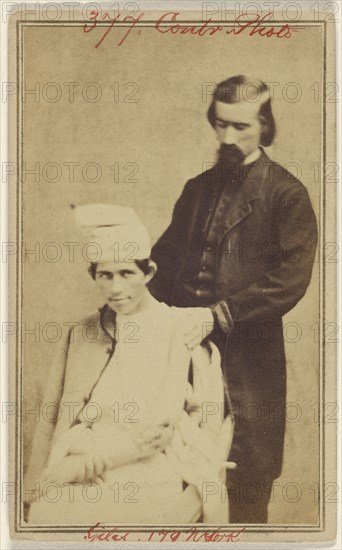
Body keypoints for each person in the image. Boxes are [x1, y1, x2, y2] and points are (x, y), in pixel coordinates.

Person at [149, 75, 318, 523]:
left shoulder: (286, 195)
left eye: (240, 127)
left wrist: (218, 315)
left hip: (248, 360)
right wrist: (129, 299)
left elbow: (289, 280)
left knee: (245, 482)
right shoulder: (195, 189)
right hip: (183, 357)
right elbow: (162, 267)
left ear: (265, 125)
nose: (227, 137)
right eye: (220, 124)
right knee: (174, 480)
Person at [25, 204, 234, 524]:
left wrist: (84, 464)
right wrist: (37, 486)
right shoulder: (81, 334)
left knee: (121, 521)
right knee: (45, 514)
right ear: (92, 275)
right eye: (105, 275)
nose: (117, 288)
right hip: (82, 461)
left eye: (127, 274)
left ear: (148, 272)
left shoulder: (177, 327)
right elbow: (51, 416)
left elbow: (157, 432)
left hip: (147, 465)